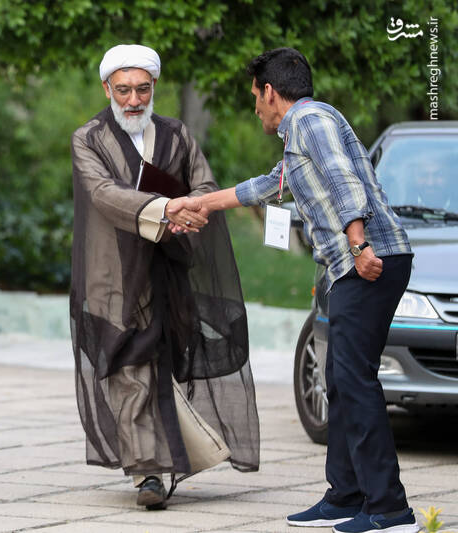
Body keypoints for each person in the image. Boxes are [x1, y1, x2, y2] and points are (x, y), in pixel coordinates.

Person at [170, 47, 418, 533]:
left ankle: (390, 509)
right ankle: (345, 495)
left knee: (355, 380)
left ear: (270, 91)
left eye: (255, 97)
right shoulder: (301, 135)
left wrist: (359, 244)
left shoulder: (310, 119)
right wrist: (199, 204)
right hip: (352, 265)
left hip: (368, 260)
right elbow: (268, 186)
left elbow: (344, 180)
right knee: (339, 380)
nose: (255, 108)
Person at [70, 44, 259, 511]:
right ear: (106, 89)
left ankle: (171, 456)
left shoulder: (176, 135)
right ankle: (147, 473)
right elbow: (102, 193)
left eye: (142, 89)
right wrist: (164, 208)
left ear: (154, 87)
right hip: (115, 274)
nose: (133, 100)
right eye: (123, 90)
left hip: (169, 270)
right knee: (128, 365)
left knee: (162, 364)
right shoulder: (89, 139)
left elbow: (204, 186)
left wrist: (190, 211)